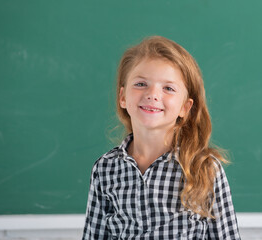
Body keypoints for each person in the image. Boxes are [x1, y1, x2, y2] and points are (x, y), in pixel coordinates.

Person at [82, 36, 241, 239]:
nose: (153, 94)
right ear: (122, 97)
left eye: (168, 88)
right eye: (141, 84)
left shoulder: (204, 168)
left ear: (185, 107)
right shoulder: (105, 169)